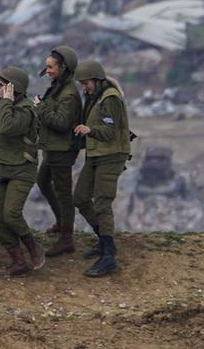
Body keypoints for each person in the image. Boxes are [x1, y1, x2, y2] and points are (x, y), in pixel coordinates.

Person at [72, 58, 131, 278]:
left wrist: (89, 130)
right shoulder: (95, 97)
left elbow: (109, 132)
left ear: (96, 80)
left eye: (86, 83)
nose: (84, 87)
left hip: (111, 155)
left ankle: (109, 255)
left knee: (102, 203)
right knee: (80, 198)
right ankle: (103, 239)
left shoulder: (110, 99)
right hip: (96, 154)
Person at [0, 66, 43, 277]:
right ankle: (18, 260)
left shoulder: (24, 110)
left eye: (2, 86)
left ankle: (33, 248)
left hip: (21, 170)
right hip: (2, 168)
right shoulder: (6, 107)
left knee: (11, 214)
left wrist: (6, 101)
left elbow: (6, 128)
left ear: (14, 89)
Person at [33, 45, 83, 256]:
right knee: (43, 181)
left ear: (64, 68)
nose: (48, 71)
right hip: (52, 148)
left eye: (52, 67)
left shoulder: (69, 94)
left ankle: (66, 238)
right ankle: (61, 222)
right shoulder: (58, 87)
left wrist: (40, 107)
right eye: (47, 67)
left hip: (62, 150)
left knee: (63, 194)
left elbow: (62, 123)